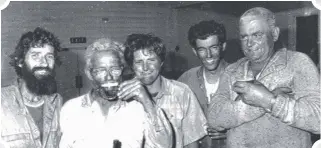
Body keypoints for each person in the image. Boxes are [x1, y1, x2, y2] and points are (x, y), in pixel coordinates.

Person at [208, 7, 320, 148]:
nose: (249, 43)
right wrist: (264, 101)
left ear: (274, 34)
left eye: (257, 35)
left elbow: (318, 120)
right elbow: (214, 118)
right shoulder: (232, 70)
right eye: (244, 37)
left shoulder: (297, 63)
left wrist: (270, 102)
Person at [59, 38, 173, 148]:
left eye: (115, 69)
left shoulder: (136, 108)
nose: (109, 77)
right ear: (89, 74)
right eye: (101, 70)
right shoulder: (71, 109)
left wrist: (147, 102)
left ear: (122, 70)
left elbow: (164, 145)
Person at [123, 33, 207, 148]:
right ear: (132, 66)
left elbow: (192, 142)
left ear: (161, 62)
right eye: (139, 62)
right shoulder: (123, 97)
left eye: (151, 60)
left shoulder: (181, 93)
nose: (145, 67)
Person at [1, 27, 63, 148]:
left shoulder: (57, 102)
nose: (44, 63)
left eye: (49, 56)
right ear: (20, 61)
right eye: (35, 55)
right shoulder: (2, 101)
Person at [178, 20, 228, 148]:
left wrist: (231, 131)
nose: (209, 55)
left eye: (214, 47)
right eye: (202, 49)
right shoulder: (186, 80)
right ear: (195, 51)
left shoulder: (239, 76)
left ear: (223, 46)